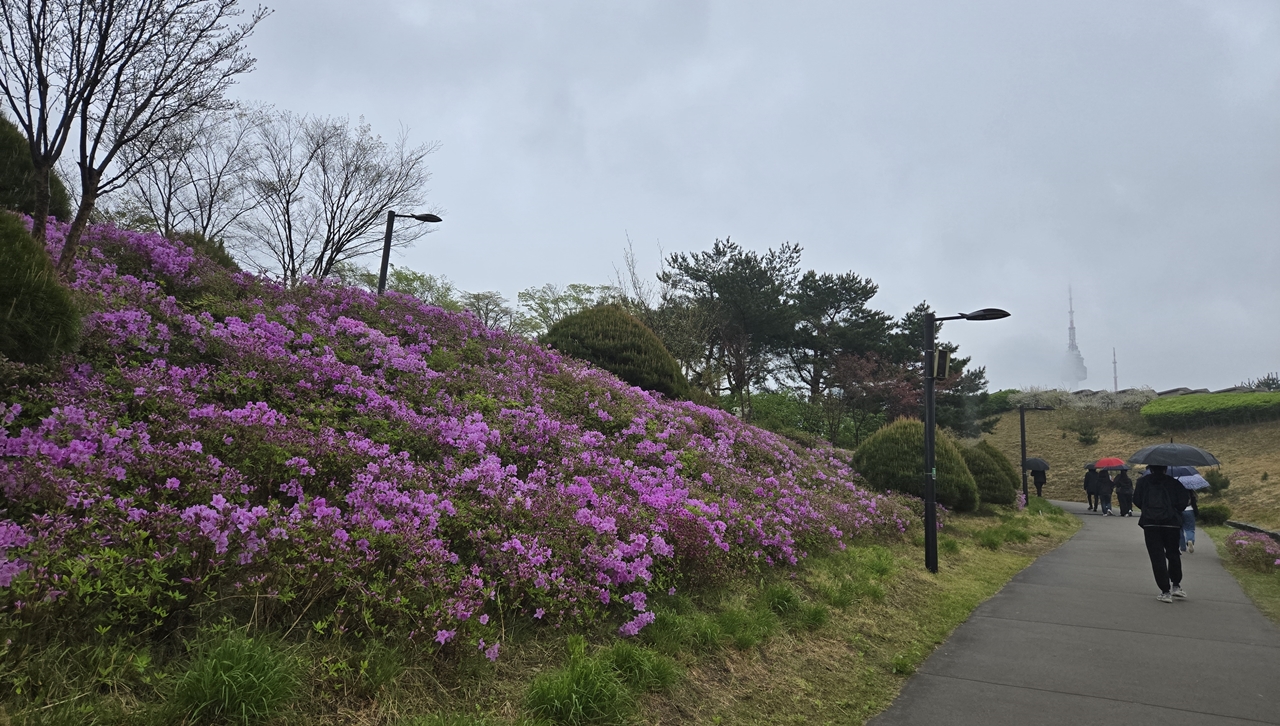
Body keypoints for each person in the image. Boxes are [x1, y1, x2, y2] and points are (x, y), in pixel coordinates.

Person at [1133, 464, 1193, 603]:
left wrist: (1147, 509)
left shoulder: (1142, 482)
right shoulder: (1174, 482)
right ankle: (1176, 585)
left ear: (1150, 468)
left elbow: (1136, 500)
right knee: (1173, 554)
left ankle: (1165, 591)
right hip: (1171, 524)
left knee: (1157, 557)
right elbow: (1182, 503)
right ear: (1165, 468)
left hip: (1150, 524)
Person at [1180, 489, 1200, 553]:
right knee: (1190, 528)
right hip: (1189, 510)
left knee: (1180, 529)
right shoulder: (1190, 491)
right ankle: (1190, 540)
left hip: (1179, 511)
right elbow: (1195, 501)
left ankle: (1182, 547)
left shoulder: (1176, 489)